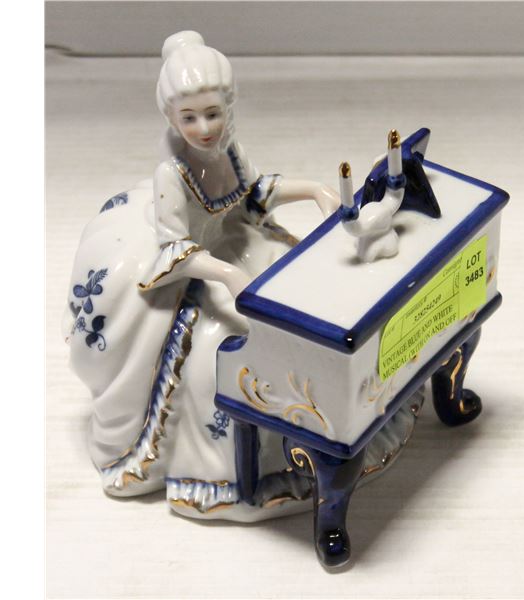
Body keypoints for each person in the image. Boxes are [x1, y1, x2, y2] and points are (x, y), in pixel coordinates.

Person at [64, 31, 422, 522]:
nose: (204, 128)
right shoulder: (172, 174)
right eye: (189, 118)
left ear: (228, 107)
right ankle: (244, 468)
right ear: (171, 117)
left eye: (213, 114)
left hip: (244, 242)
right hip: (201, 268)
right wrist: (227, 275)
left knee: (312, 301)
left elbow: (255, 193)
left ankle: (345, 409)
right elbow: (175, 250)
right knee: (221, 350)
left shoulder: (228, 150)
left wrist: (315, 191)